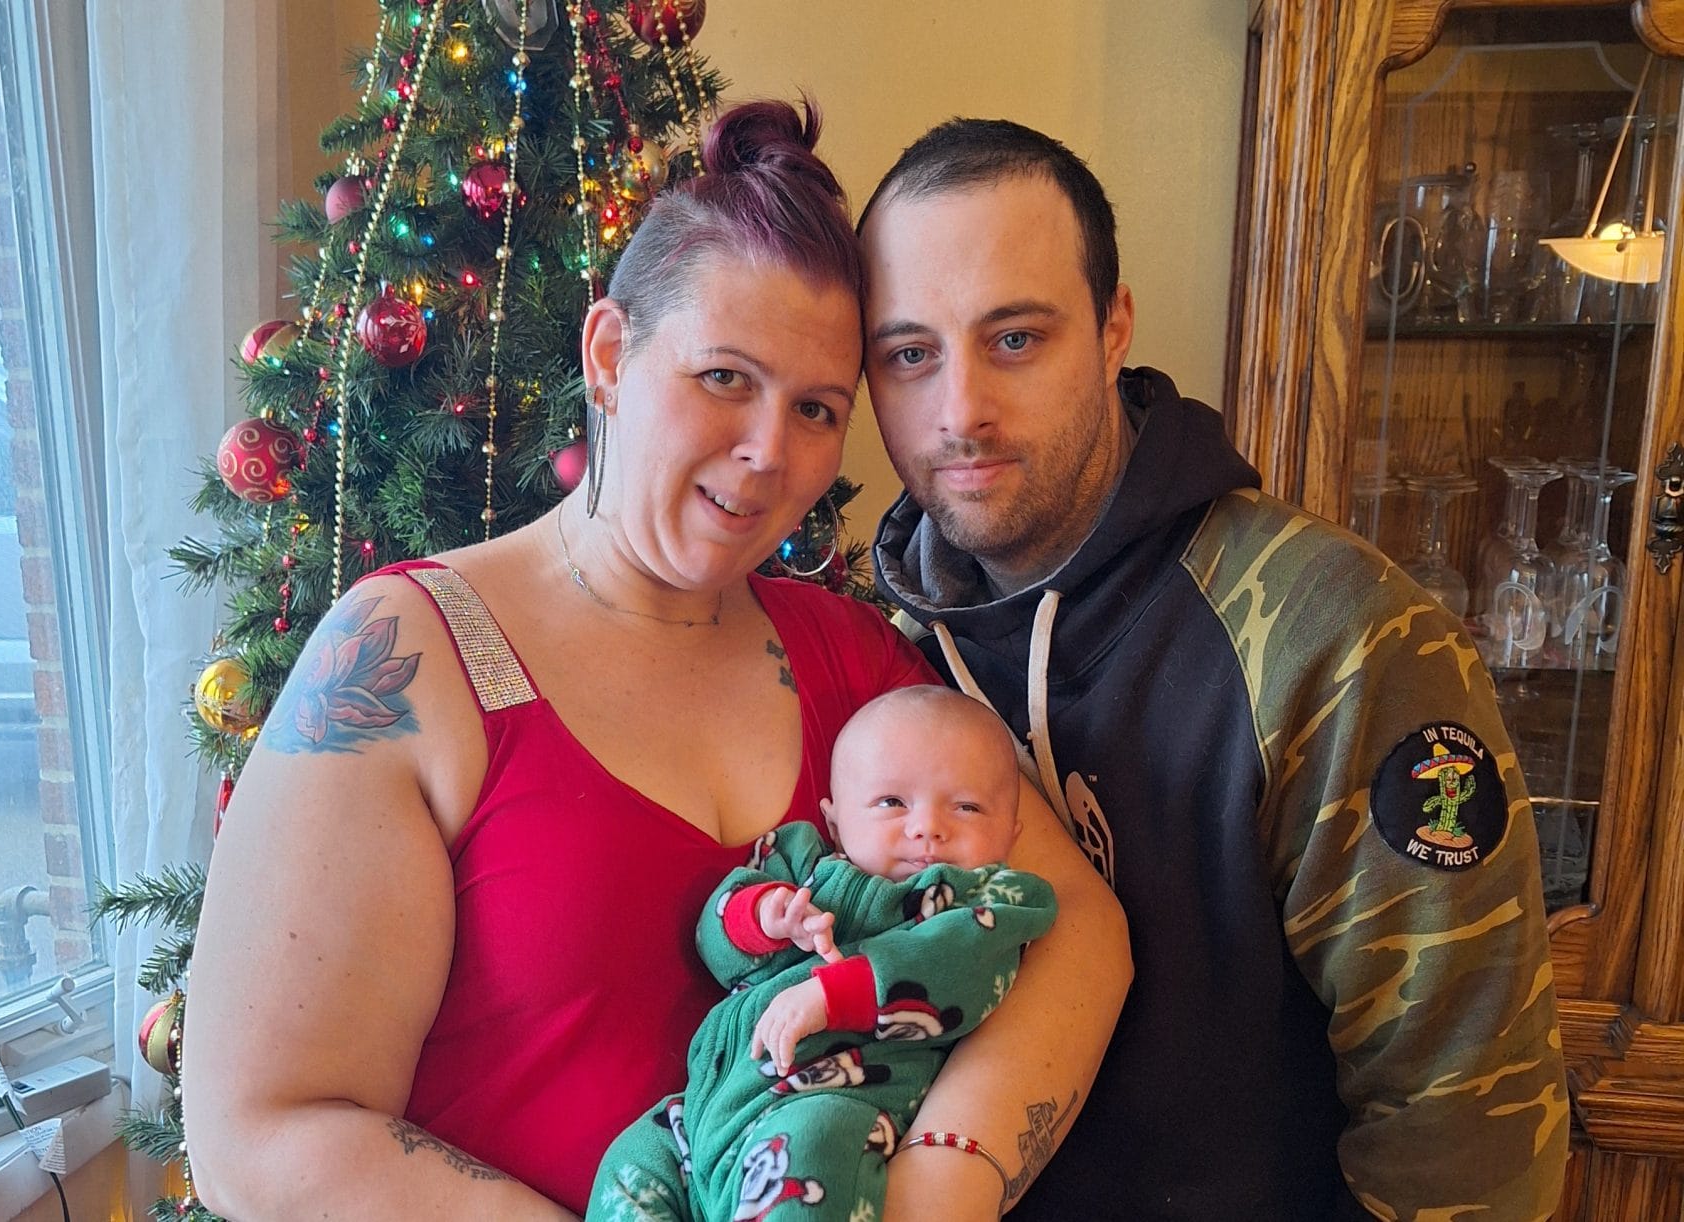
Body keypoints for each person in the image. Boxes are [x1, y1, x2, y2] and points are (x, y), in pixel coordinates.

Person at [180, 101, 1130, 1222]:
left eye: (816, 408)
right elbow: (260, 1132)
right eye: (724, 377)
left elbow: (1076, 929)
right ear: (609, 355)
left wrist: (938, 1182)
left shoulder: (855, 660)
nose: (768, 450)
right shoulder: (403, 655)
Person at [858, 118, 1570, 1220]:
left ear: (1113, 329)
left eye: (1015, 338)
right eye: (910, 354)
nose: (960, 412)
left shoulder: (1337, 637)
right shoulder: (877, 654)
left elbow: (1463, 1140)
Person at [589, 686, 1058, 1221]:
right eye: (892, 802)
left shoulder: (994, 900)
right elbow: (714, 941)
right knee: (630, 1163)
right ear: (835, 824)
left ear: (1010, 836)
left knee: (812, 1145)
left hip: (835, 1102)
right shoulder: (796, 864)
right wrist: (763, 917)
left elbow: (962, 966)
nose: (927, 827)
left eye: (967, 806)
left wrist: (834, 996)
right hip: (703, 1119)